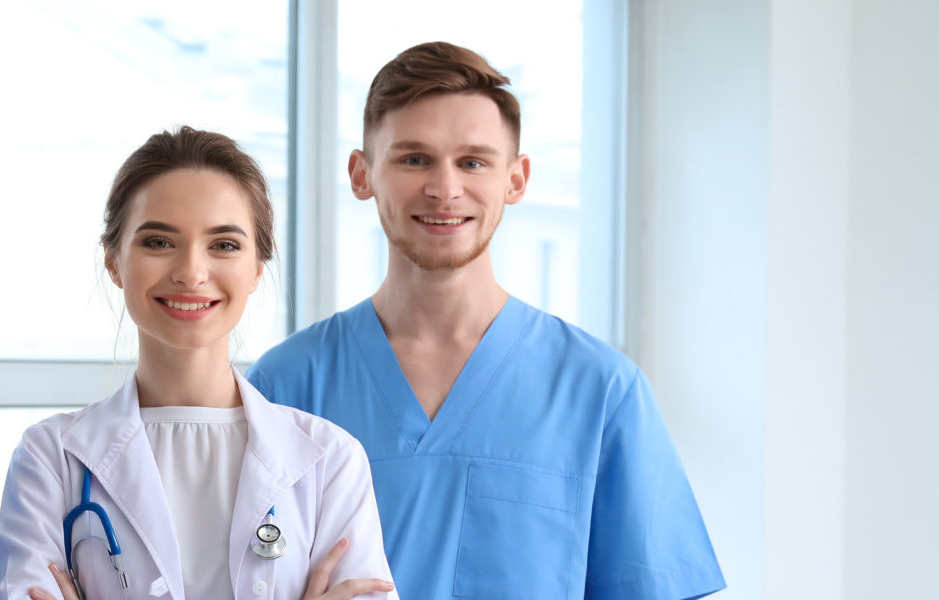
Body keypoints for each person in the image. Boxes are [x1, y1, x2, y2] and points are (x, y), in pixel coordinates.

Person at [246, 42, 726, 600]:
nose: (445, 188)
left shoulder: (600, 392)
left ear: (515, 180)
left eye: (472, 161)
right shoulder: (285, 388)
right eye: (413, 158)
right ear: (362, 174)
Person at [0, 127, 396, 600]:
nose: (191, 272)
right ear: (114, 261)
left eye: (224, 245)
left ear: (255, 270)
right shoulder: (51, 458)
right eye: (159, 242)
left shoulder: (330, 461)